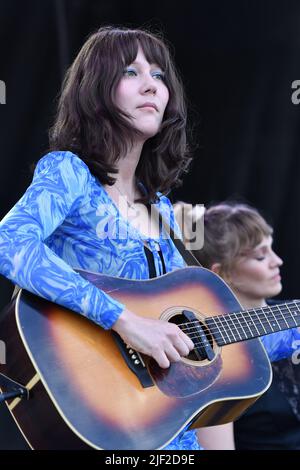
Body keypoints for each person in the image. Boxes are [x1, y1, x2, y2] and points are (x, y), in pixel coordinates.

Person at [0, 26, 199, 450]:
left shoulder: (160, 207)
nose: (151, 84)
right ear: (96, 91)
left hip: (169, 429)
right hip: (100, 422)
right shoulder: (68, 172)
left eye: (160, 75)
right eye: (131, 72)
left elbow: (186, 321)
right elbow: (9, 243)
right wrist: (124, 321)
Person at [175, 201, 300, 450]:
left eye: (272, 249)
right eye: (260, 255)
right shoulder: (212, 360)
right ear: (223, 274)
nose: (277, 261)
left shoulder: (292, 318)